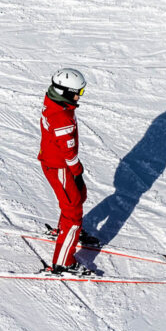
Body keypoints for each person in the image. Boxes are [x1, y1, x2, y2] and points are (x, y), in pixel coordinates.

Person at [38, 68, 98, 276]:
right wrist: (77, 171)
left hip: (55, 162)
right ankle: (64, 262)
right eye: (77, 92)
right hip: (60, 166)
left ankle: (68, 232)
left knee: (78, 197)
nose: (79, 96)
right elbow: (68, 152)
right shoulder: (61, 117)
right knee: (73, 210)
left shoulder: (55, 103)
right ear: (64, 92)